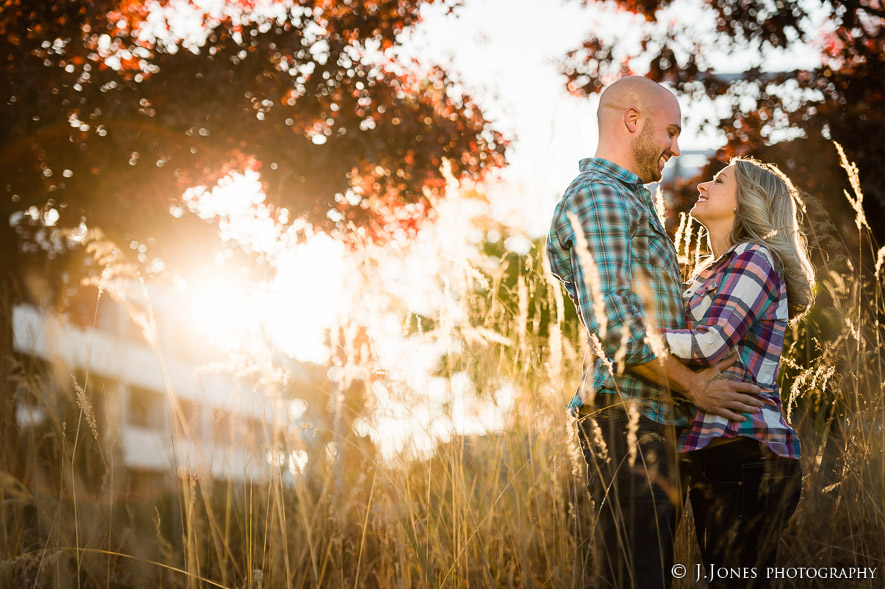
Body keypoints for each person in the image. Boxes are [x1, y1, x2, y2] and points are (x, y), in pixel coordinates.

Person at [546, 75, 763, 589]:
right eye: (670, 131)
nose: (675, 146)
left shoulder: (631, 199)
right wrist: (694, 386)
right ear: (632, 120)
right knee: (635, 576)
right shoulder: (600, 196)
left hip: (652, 412)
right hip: (628, 417)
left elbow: (662, 318)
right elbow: (616, 325)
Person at [662, 158, 814, 587]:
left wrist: (634, 337)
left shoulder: (755, 257)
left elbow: (711, 342)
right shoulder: (709, 272)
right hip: (717, 453)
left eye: (720, 179)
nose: (703, 184)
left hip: (749, 452)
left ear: (746, 201)